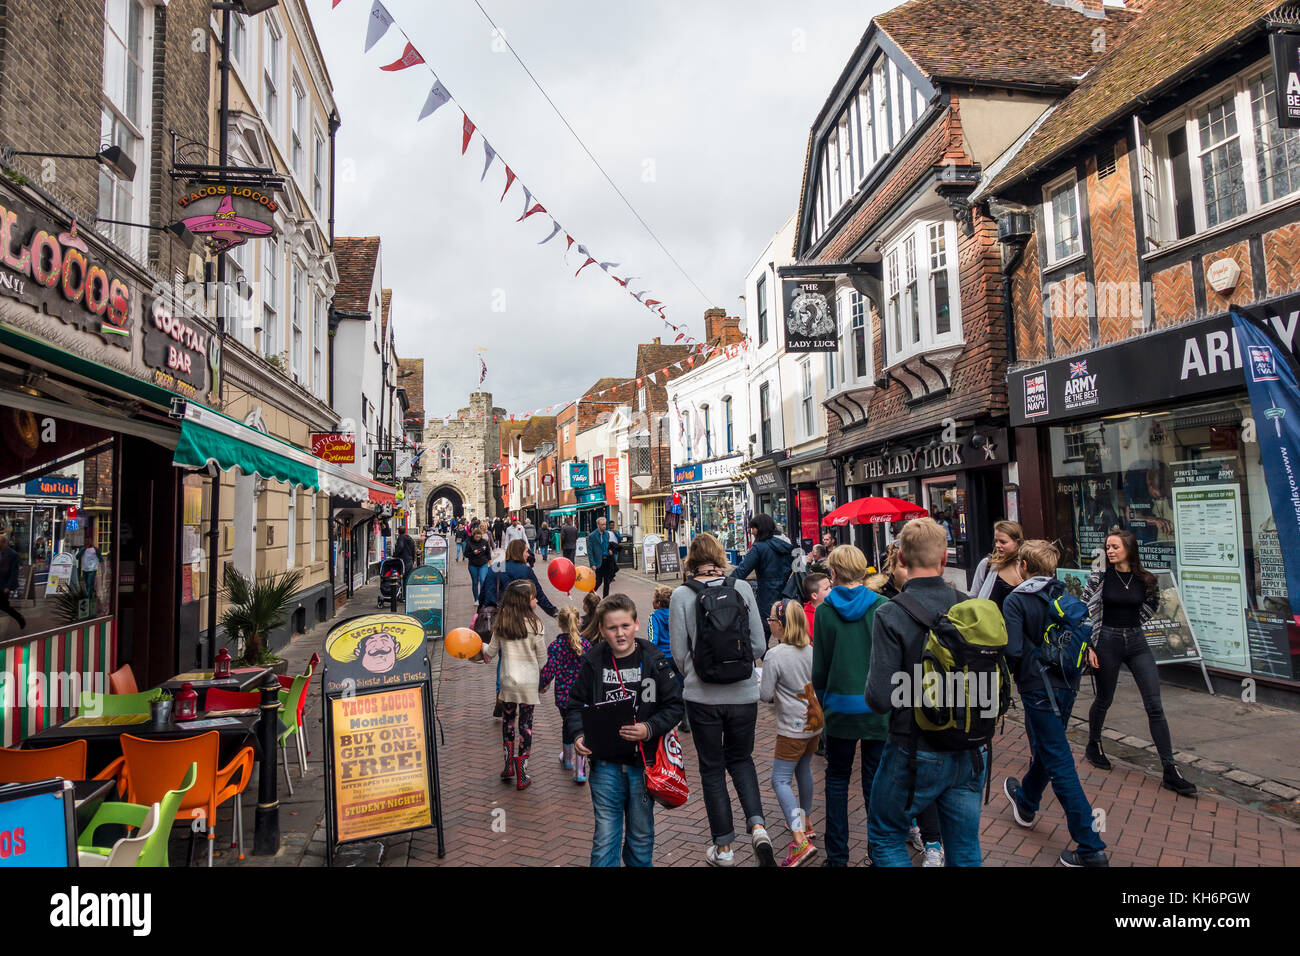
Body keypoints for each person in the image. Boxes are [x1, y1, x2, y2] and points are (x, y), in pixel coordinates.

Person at [866, 517, 986, 867]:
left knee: (887, 836)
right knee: (964, 847)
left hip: (914, 748)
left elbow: (878, 697)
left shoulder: (890, 614)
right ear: (944, 560)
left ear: (900, 559)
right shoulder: (969, 608)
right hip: (971, 746)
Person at [1001, 540, 1109, 867]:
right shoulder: (1063, 593)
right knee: (1051, 750)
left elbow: (1014, 651)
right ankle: (1026, 800)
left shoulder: (1016, 599)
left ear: (1023, 566)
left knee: (1059, 760)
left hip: (1037, 688)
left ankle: (1090, 846)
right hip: (1068, 684)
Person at [669, 533, 773, 866]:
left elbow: (678, 654)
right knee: (742, 760)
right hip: (744, 695)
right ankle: (757, 826)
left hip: (702, 698)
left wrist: (698, 673)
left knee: (712, 769)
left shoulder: (681, 595)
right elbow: (759, 645)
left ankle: (725, 848)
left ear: (691, 559)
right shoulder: (741, 588)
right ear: (718, 556)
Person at [569, 593, 684, 867]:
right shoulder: (592, 661)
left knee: (641, 833)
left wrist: (649, 728)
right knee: (606, 835)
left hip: (643, 764)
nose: (620, 634)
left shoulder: (653, 660)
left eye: (625, 626)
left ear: (635, 624)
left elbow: (675, 706)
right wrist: (578, 734)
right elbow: (575, 704)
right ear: (601, 630)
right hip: (605, 764)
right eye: (612, 628)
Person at [1082, 529, 1196, 796]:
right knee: (1104, 699)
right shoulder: (1100, 577)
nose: (1109, 551)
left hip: (1136, 641)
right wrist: (1089, 645)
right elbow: (1083, 608)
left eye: (1115, 547)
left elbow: (1150, 605)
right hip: (1106, 641)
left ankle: (1169, 769)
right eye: (1107, 547)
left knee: (1154, 704)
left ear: (1129, 550)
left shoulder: (1144, 578)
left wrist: (1132, 627)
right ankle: (1093, 743)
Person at [813, 544, 889, 867]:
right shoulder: (883, 606)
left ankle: (838, 857)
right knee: (874, 781)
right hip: (875, 706)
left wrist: (824, 699)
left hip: (840, 708)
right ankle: (878, 852)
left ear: (834, 573)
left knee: (837, 779)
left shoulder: (824, 611)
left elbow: (820, 668)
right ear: (864, 570)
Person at [762, 598, 820, 867]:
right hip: (814, 722)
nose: (770, 623)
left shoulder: (775, 655)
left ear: (782, 625)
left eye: (772, 619)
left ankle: (799, 840)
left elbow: (765, 695)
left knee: (780, 780)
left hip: (792, 728)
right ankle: (806, 821)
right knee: (803, 769)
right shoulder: (811, 650)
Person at [481, 580, 549, 789]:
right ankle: (522, 772)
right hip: (529, 683)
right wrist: (544, 681)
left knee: (508, 721)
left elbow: (490, 653)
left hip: (508, 682)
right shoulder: (536, 625)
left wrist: (476, 645)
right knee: (526, 725)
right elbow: (542, 658)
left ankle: (508, 765)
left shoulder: (502, 623)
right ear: (524, 602)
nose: (536, 601)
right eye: (533, 597)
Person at [538, 605, 592, 784]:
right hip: (584, 696)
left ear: (559, 624)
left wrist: (542, 685)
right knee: (582, 729)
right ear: (579, 622)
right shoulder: (586, 645)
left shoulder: (555, 646)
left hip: (564, 698)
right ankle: (581, 770)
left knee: (567, 725)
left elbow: (549, 669)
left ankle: (568, 759)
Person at [730, 513, 797, 642]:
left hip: (766, 596)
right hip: (787, 594)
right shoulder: (786, 544)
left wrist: (725, 584)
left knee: (762, 637)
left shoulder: (759, 547)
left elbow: (742, 571)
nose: (751, 531)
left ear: (759, 528)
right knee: (785, 633)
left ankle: (769, 661)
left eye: (753, 528)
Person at [479, 539, 559, 619]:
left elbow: (484, 592)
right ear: (520, 553)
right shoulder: (525, 570)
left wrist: (480, 612)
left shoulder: (495, 567)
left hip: (494, 616)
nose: (528, 555)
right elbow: (538, 594)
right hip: (516, 617)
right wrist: (553, 612)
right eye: (526, 552)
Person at [647, 584, 688, 733]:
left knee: (665, 689)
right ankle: (686, 719)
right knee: (682, 687)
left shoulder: (654, 617)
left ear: (657, 602)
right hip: (678, 655)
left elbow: (653, 639)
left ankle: (668, 719)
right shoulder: (677, 614)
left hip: (663, 659)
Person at [968, 520, 1025, 605]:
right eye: (996, 541)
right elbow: (973, 598)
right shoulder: (987, 564)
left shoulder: (1026, 566)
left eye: (1003, 542)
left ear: (1017, 542)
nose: (997, 545)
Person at [587, 516, 621, 598]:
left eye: (605, 524)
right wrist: (592, 564)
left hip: (608, 561)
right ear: (598, 525)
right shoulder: (592, 536)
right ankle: (589, 596)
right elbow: (590, 551)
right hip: (599, 561)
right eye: (602, 525)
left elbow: (607, 545)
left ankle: (605, 600)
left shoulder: (607, 534)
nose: (604, 526)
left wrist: (610, 550)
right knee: (598, 581)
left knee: (607, 581)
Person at [0, 534, 25, 630]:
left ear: (4, 543)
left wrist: (8, 586)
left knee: (4, 606)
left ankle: (19, 618)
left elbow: (14, 572)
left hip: (4, 585)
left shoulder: (12, 555)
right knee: (3, 606)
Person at [464, 526, 493, 603]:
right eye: (476, 535)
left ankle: (483, 597)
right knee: (475, 582)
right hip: (473, 565)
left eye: (479, 535)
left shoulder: (484, 542)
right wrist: (473, 553)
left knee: (483, 580)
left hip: (483, 563)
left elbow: (488, 553)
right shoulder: (469, 542)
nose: (478, 537)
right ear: (473, 535)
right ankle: (476, 599)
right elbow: (466, 554)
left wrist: (490, 563)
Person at [801, 572, 830, 639]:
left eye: (830, 586)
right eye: (826, 589)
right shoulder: (806, 618)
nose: (831, 590)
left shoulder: (832, 608)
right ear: (814, 595)